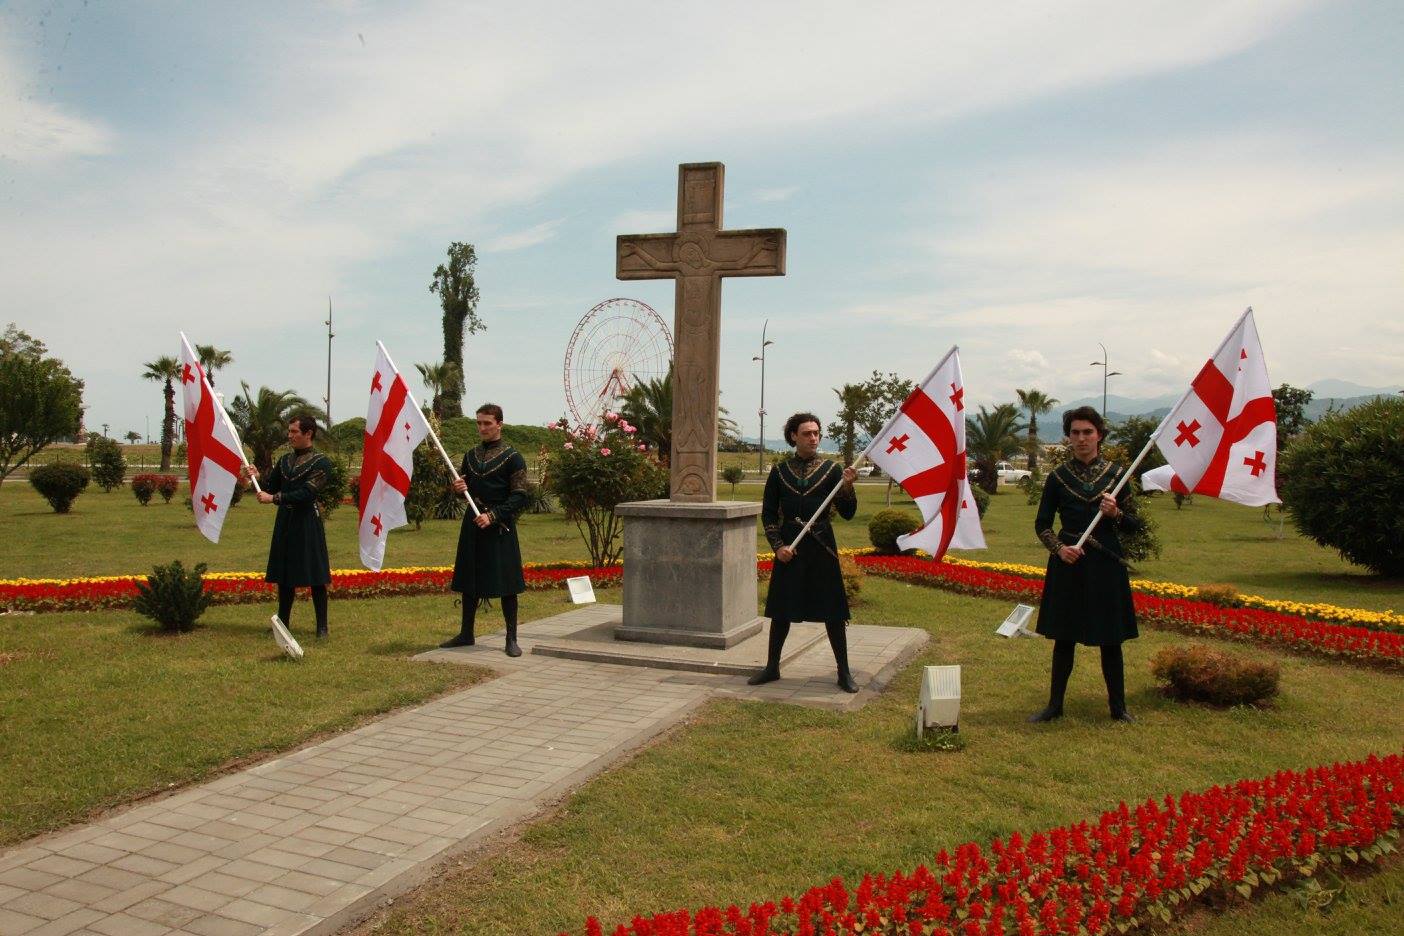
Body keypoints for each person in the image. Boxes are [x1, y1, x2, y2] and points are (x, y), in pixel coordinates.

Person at [1028, 406, 1143, 723]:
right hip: (1070, 563)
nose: (1081, 438)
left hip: (1105, 565)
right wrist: (1059, 549)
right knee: (1064, 637)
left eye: (1087, 432)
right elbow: (1042, 524)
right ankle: (1054, 706)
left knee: (1110, 638)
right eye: (1075, 432)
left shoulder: (1118, 478)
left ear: (1100, 435)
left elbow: (1134, 525)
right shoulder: (1057, 478)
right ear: (1068, 437)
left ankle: (1118, 708)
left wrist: (1115, 513)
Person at [749, 412, 860, 693]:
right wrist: (778, 547)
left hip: (822, 547)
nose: (813, 438)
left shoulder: (833, 471)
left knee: (833, 612)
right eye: (807, 433)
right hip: (790, 549)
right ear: (793, 437)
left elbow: (848, 513)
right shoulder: (779, 471)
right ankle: (772, 667)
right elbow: (769, 514)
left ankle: (843, 672)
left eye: (816, 433)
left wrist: (847, 486)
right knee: (781, 610)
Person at [441, 403, 530, 656]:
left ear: (499, 424)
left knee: (506, 583)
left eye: (487, 423)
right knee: (469, 579)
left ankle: (511, 639)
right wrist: (458, 489)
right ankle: (466, 633)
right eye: (479, 423)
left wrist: (494, 515)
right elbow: (465, 491)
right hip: (473, 524)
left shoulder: (513, 458)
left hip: (500, 527)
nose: (482, 428)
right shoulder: (470, 457)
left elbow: (520, 496)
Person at [243, 415, 333, 639]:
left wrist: (274, 499)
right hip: (286, 522)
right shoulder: (284, 461)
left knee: (316, 574)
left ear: (308, 434)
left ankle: (322, 626)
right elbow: (269, 485)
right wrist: (255, 477)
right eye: (290, 431)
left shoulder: (321, 463)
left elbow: (307, 493)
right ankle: (283, 623)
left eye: (294, 432)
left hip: (307, 522)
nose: (290, 436)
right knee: (284, 574)